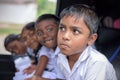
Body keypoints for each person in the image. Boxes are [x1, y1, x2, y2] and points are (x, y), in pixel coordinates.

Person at [57, 4, 117, 80]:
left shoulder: (97, 63)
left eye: (75, 31)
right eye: (62, 28)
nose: (65, 36)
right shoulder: (61, 56)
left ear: (91, 39)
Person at [25, 14, 65, 80]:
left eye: (49, 29)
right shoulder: (54, 52)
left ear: (61, 29)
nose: (44, 35)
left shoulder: (65, 52)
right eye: (40, 33)